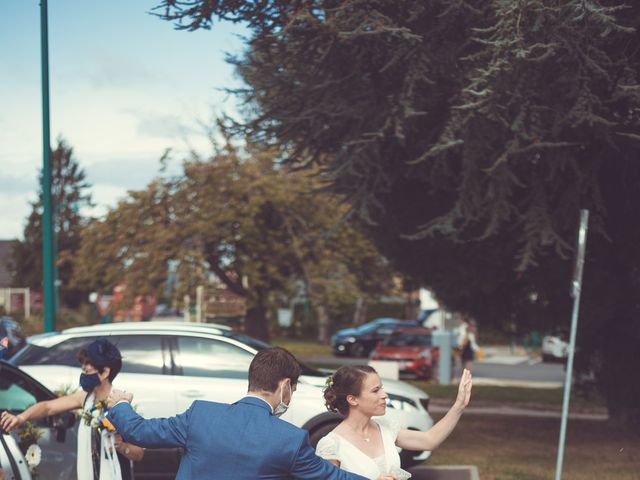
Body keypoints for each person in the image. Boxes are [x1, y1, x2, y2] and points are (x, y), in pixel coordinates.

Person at [106, 347, 397, 480]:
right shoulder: (291, 439)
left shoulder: (200, 414)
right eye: (293, 390)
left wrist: (119, 404)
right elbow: (332, 477)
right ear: (285, 386)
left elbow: (138, 431)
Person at [0, 337, 144, 480]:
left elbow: (138, 453)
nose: (83, 367)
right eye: (83, 363)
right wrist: (20, 417)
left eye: (89, 364)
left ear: (105, 372)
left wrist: (120, 446)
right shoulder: (86, 398)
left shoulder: (120, 402)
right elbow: (48, 407)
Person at [316, 366, 473, 480]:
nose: (384, 395)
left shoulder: (386, 427)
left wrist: (459, 405)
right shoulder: (331, 446)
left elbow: (430, 440)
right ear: (353, 399)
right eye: (375, 390)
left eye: (382, 389)